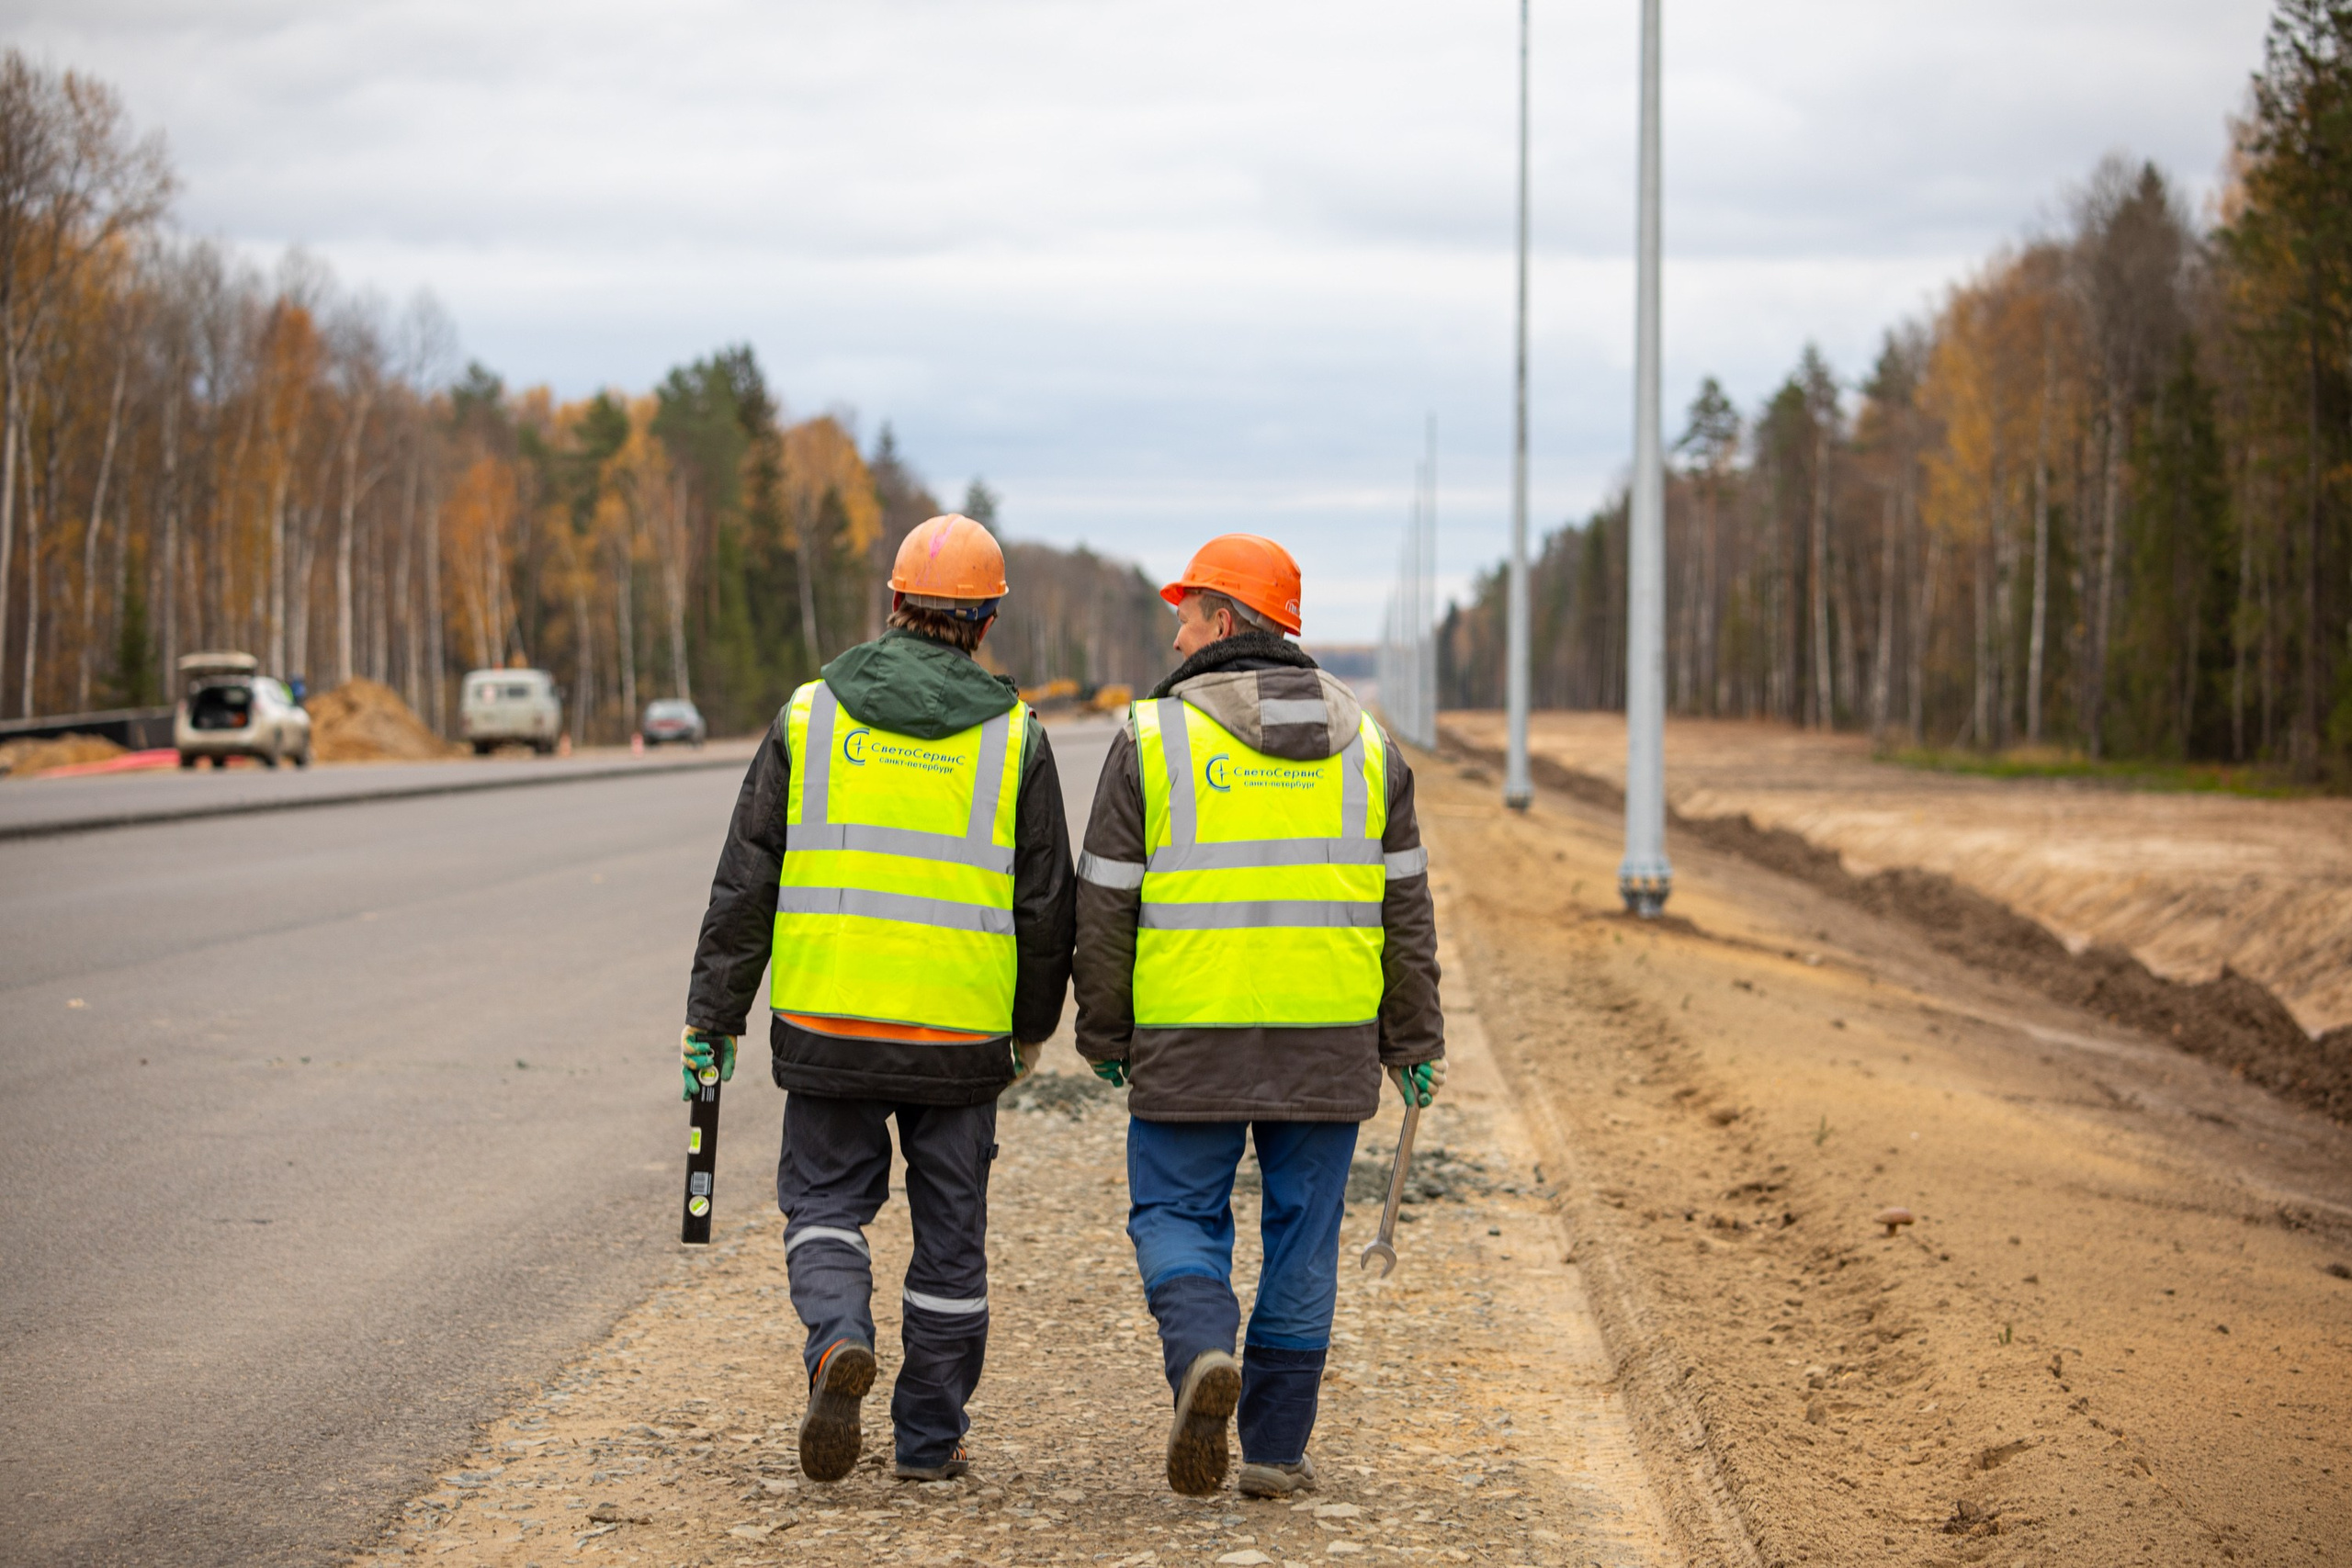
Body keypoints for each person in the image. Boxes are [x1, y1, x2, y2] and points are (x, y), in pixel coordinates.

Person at [681, 513, 1076, 1484]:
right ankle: (930, 1442)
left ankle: (836, 1340)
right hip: (960, 1037)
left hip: (828, 1023)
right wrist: (1030, 1030)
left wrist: (715, 1016)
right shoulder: (1016, 738)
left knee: (823, 1206)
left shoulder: (809, 715)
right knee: (950, 1245)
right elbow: (1045, 908)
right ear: (986, 621)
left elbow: (746, 879)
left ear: (894, 602)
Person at [1072, 533, 1444, 1499]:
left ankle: (1204, 1351)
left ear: (1226, 620)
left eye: (1187, 614)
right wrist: (1412, 1042)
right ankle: (1275, 1450)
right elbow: (1406, 909)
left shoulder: (1153, 739)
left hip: (1190, 1030)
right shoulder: (1370, 747)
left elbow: (1104, 903)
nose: (1176, 635)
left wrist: (1103, 1030)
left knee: (1173, 1213)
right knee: (1304, 1240)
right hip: (1328, 1041)